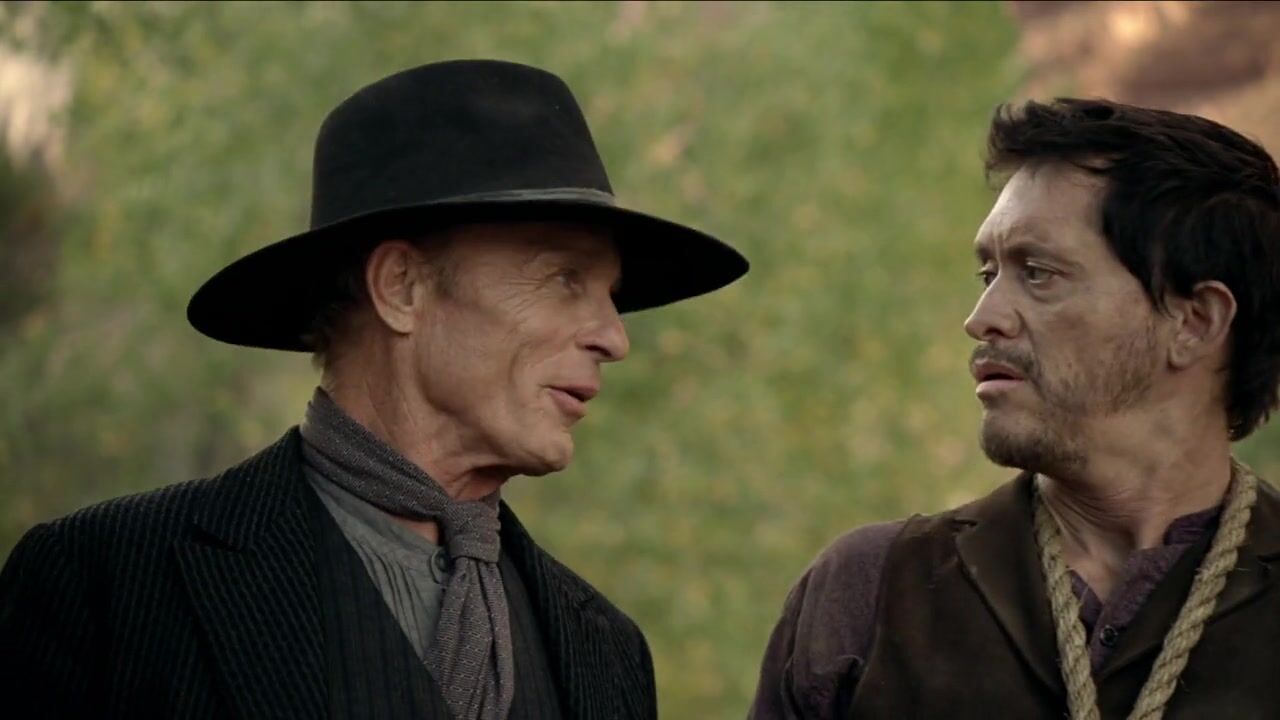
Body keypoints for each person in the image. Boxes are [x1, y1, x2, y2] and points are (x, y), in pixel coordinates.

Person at [0, 59, 747, 720]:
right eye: (564, 278)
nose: (614, 337)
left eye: (611, 295)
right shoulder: (107, 585)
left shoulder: (606, 651)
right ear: (401, 288)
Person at [749, 98, 1280, 719]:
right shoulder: (868, 595)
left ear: (1195, 321)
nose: (983, 319)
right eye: (988, 276)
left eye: (1039, 273)